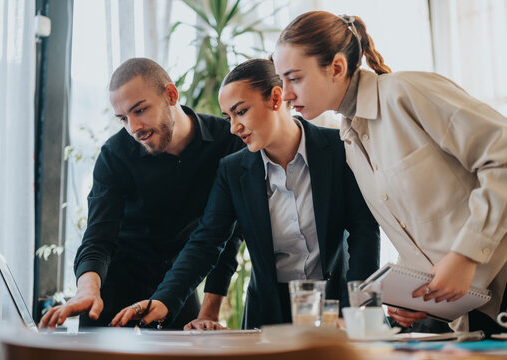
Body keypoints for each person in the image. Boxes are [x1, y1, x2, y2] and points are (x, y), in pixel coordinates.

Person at [272, 11, 507, 336]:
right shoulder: (349, 138)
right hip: (474, 311)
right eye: (281, 80)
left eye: (294, 78)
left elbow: (503, 154)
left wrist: (466, 255)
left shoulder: (406, 93)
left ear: (337, 68)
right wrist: (416, 292)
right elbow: (417, 223)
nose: (284, 94)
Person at [108, 58, 380, 329]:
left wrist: (357, 307)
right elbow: (206, 242)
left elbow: (364, 231)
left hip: (340, 305)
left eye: (241, 112)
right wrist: (164, 300)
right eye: (228, 117)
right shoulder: (233, 170)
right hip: (268, 315)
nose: (233, 127)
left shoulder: (338, 148)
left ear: (275, 99)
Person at [39, 57, 244, 329]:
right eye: (123, 118)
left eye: (140, 110)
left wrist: (208, 313)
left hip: (177, 286)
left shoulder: (227, 142)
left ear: (171, 95)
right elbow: (98, 237)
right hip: (111, 292)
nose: (133, 128)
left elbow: (226, 236)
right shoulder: (115, 155)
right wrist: (87, 289)